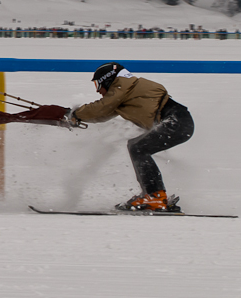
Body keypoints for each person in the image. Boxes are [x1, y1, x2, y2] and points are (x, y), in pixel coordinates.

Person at [67, 62, 194, 212]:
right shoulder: (125, 90)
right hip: (179, 121)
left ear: (108, 80)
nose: (98, 91)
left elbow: (102, 107)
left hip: (176, 121)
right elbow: (102, 113)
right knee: (136, 145)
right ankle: (152, 194)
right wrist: (74, 117)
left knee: (139, 148)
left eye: (98, 85)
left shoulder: (122, 87)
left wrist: (75, 114)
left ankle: (155, 196)